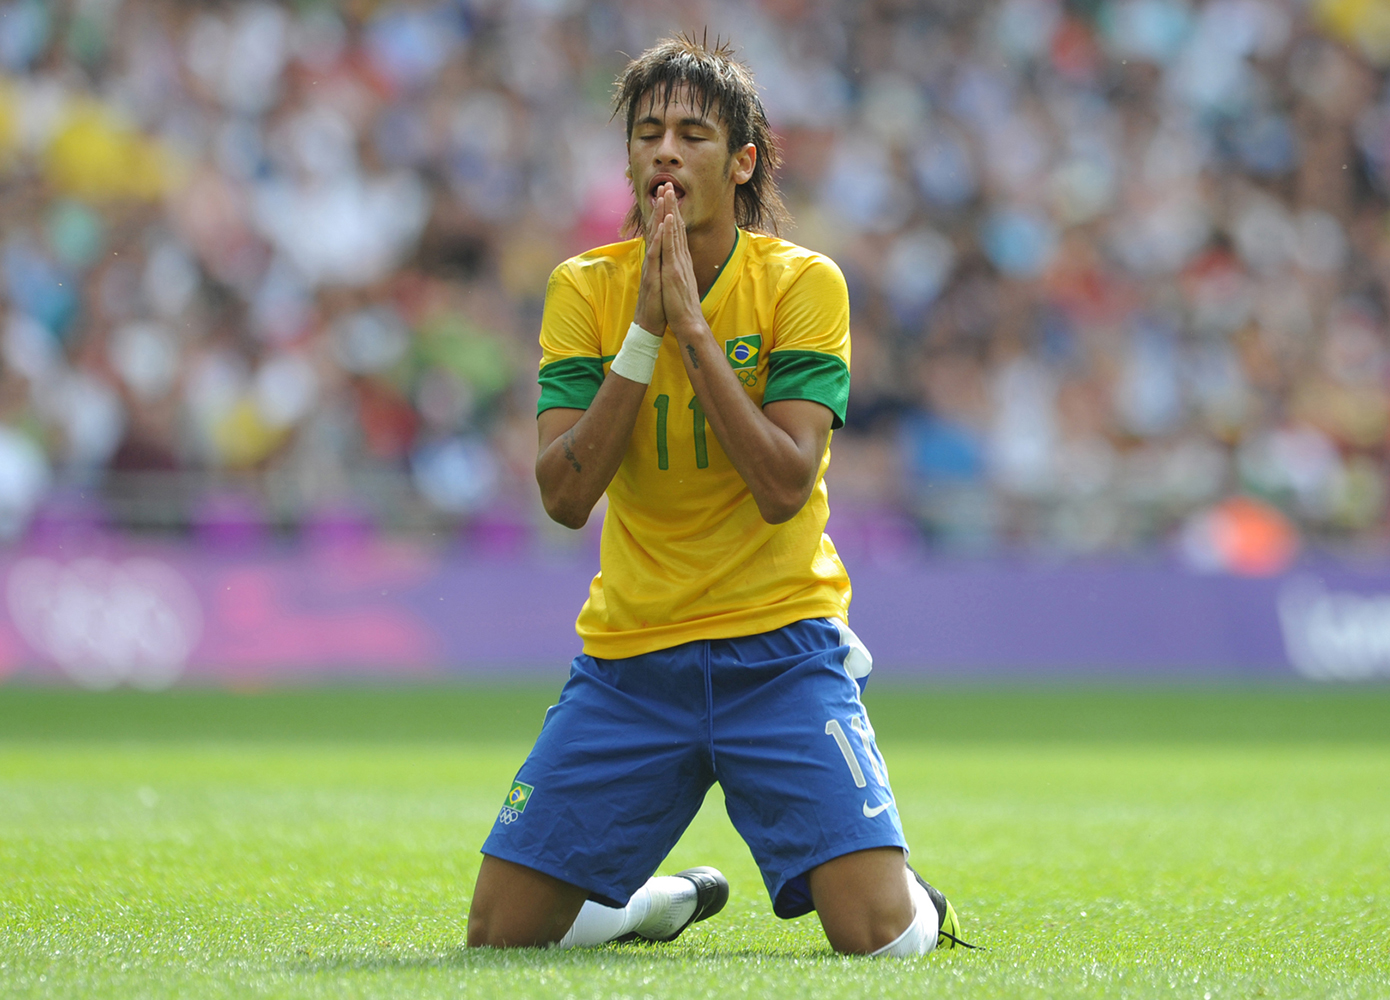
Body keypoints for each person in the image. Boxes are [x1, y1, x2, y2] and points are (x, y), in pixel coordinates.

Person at [466, 34, 970, 957]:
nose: (665, 151)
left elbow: (783, 485)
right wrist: (644, 335)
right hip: (633, 661)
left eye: (693, 135)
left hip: (778, 649)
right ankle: (656, 904)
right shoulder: (584, 288)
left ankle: (915, 899)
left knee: (879, 938)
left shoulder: (804, 283)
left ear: (742, 162)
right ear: (628, 157)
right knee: (502, 934)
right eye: (648, 133)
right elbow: (564, 497)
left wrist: (691, 331)